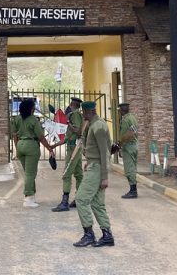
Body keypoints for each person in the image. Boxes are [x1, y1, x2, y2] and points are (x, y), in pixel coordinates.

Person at [73, 101, 114, 247]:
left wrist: (104, 177)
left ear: (89, 111)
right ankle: (107, 236)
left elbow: (104, 152)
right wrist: (89, 161)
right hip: (94, 165)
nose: (83, 115)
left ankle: (89, 235)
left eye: (84, 112)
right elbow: (96, 150)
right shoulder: (93, 124)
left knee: (81, 199)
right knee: (97, 203)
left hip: (97, 169)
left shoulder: (98, 126)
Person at [16, 97, 55, 208]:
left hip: (20, 145)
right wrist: (49, 148)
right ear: (31, 108)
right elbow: (41, 137)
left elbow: (14, 134)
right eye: (33, 107)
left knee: (27, 173)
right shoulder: (33, 120)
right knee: (30, 173)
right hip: (31, 146)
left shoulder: (18, 119)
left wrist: (17, 147)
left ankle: (31, 197)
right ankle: (28, 199)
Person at [50, 97, 84, 212]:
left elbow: (78, 131)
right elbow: (67, 137)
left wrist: (68, 122)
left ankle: (65, 202)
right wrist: (53, 146)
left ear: (71, 104)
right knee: (79, 174)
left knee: (66, 174)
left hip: (74, 148)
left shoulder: (75, 115)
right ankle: (79, 200)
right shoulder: (74, 115)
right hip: (73, 146)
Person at [117, 102, 139, 199]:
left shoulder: (125, 120)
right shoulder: (132, 118)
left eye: (119, 111)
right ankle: (133, 189)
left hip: (128, 146)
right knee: (132, 168)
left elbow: (129, 134)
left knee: (129, 169)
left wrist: (120, 144)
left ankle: (133, 191)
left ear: (122, 111)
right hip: (134, 145)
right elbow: (133, 131)